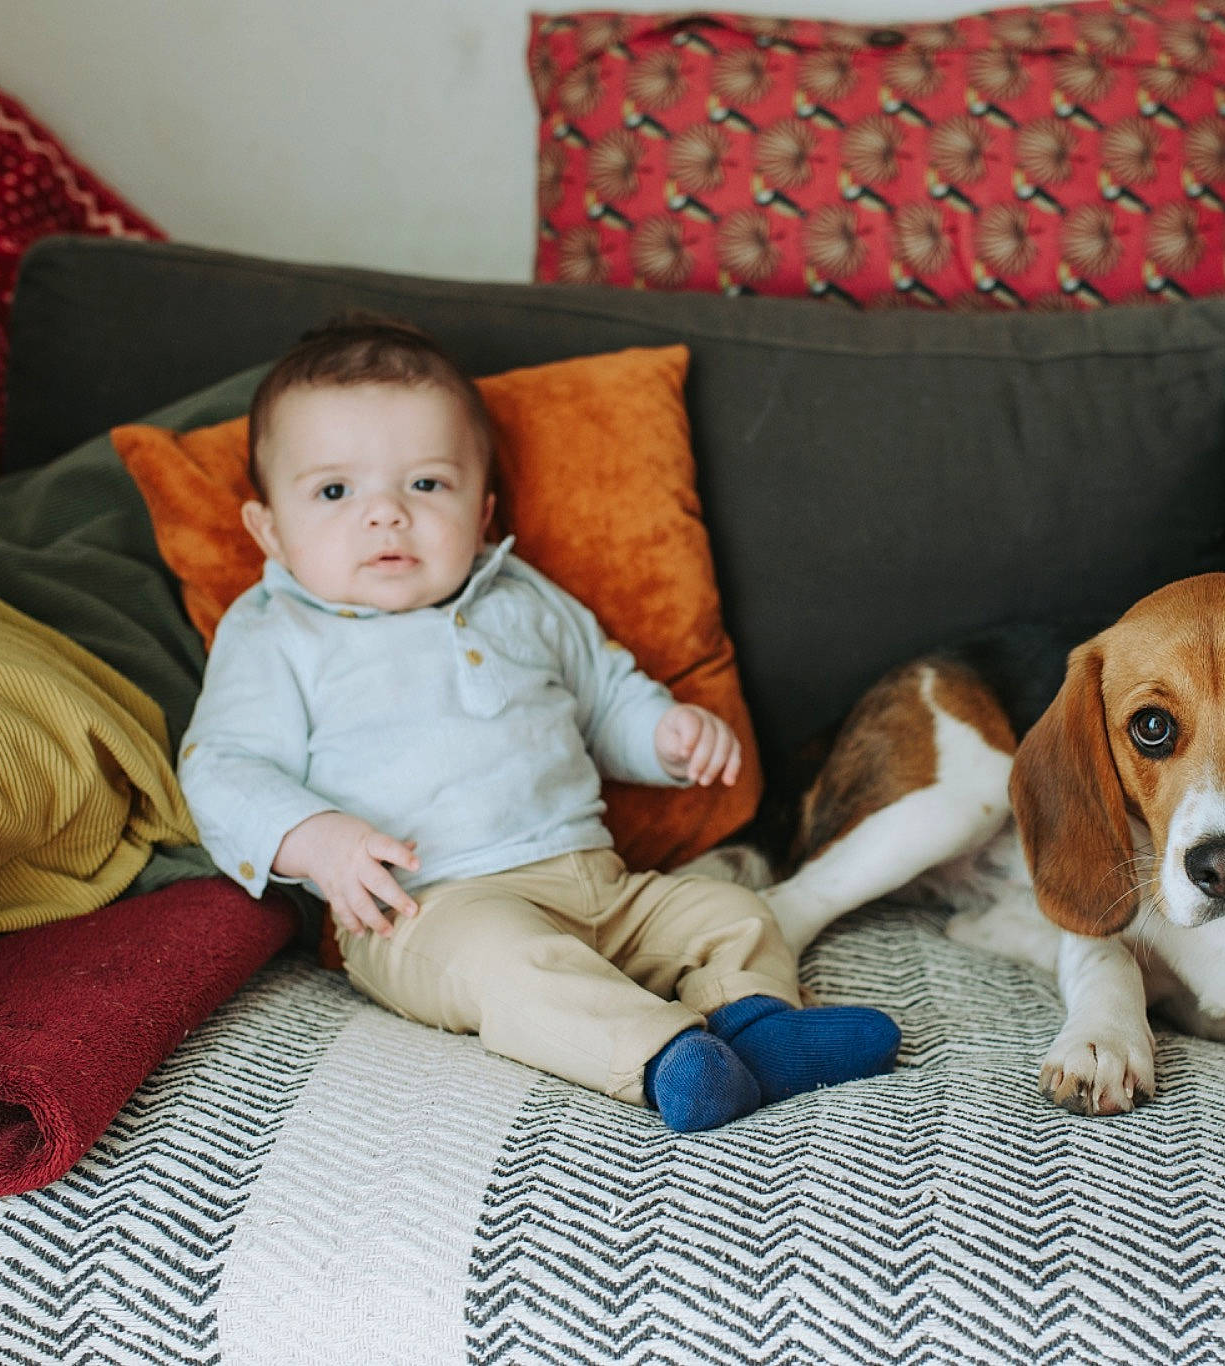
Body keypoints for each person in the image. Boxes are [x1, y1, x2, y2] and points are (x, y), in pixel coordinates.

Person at [178, 316, 899, 1131]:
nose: (386, 516)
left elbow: (605, 695)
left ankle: (760, 1027)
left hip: (599, 883)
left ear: (483, 511)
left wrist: (666, 735)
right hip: (429, 909)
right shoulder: (279, 628)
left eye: (426, 485)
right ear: (269, 529)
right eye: (336, 491)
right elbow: (221, 763)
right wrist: (317, 839)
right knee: (514, 970)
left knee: (729, 912)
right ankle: (669, 1060)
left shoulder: (518, 594)